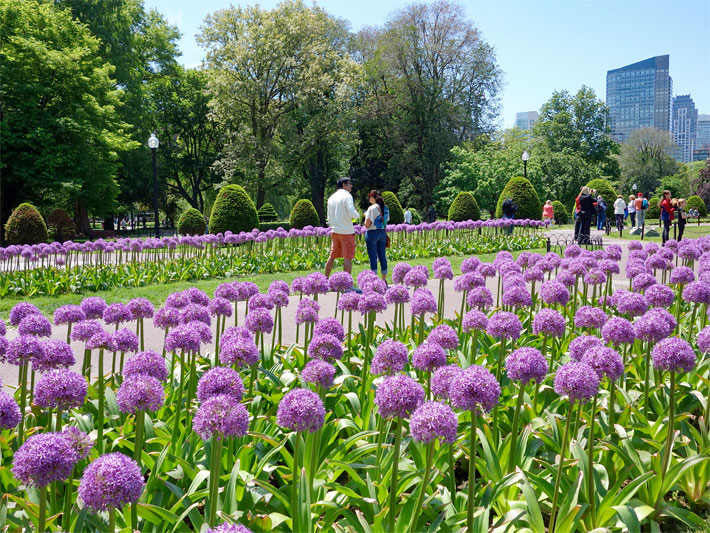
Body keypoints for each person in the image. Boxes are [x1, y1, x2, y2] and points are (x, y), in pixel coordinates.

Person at [325, 177, 359, 278]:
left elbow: (329, 216)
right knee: (347, 257)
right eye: (349, 183)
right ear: (344, 185)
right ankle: (347, 284)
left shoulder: (331, 197)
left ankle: (325, 279)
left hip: (335, 231)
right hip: (346, 231)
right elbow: (352, 212)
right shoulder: (347, 196)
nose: (351, 185)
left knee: (332, 256)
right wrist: (358, 216)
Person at [364, 190, 389, 282]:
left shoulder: (371, 208)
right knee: (382, 256)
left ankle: (373, 279)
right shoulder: (386, 208)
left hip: (372, 233)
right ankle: (384, 279)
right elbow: (386, 221)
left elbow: (367, 225)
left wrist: (365, 217)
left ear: (372, 198)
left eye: (369, 197)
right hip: (382, 233)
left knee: (373, 257)